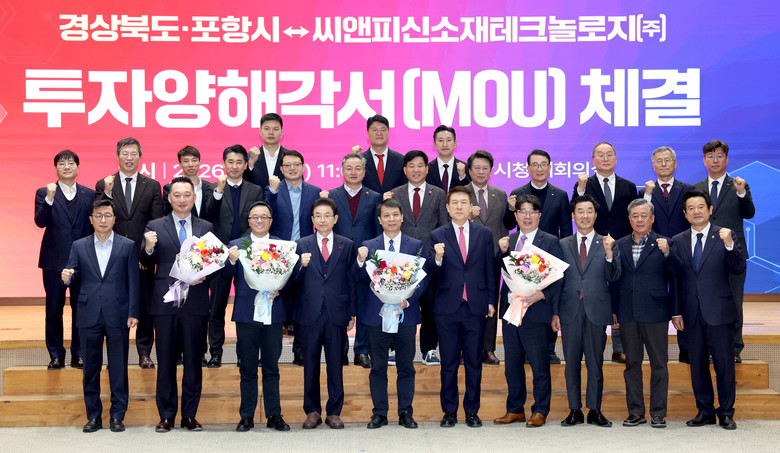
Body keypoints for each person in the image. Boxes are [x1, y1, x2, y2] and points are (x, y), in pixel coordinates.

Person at [141, 177, 214, 432]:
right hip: (165, 303)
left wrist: (205, 274)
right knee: (166, 361)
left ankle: (189, 415)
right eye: (177, 195)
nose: (182, 199)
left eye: (187, 195)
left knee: (194, 361)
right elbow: (145, 262)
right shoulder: (154, 226)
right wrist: (148, 248)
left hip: (195, 303)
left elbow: (214, 264)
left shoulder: (206, 227)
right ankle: (167, 415)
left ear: (194, 197)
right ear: (169, 198)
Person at [670, 190, 746, 430]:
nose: (696, 212)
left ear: (710, 209)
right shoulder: (678, 240)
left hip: (720, 312)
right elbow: (675, 279)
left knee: (724, 365)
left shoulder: (725, 235)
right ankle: (704, 411)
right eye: (691, 208)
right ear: (685, 214)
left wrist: (730, 245)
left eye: (701, 207)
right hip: (691, 314)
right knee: (698, 366)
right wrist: (676, 312)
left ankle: (726, 412)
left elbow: (738, 268)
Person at [61, 199, 139, 433]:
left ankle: (117, 415)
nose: (103, 220)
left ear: (114, 219)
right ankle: (93, 416)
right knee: (90, 368)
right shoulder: (79, 245)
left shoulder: (127, 245)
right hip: (88, 313)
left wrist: (133, 312)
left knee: (118, 367)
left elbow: (133, 282)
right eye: (98, 215)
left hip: (118, 313)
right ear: (91, 219)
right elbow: (72, 274)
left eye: (107, 215)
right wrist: (67, 278)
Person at [355, 198, 428, 429]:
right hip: (376, 316)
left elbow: (422, 281)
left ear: (402, 217)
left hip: (405, 315)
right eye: (386, 215)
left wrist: (407, 301)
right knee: (378, 367)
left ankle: (406, 412)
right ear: (379, 220)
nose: (391, 219)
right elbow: (359, 279)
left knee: (406, 367)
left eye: (395, 214)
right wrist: (360, 261)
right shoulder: (369, 245)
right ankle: (379, 413)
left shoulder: (416, 244)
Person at [429, 186, 497, 428]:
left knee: (473, 362)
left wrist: (491, 301)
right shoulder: (437, 235)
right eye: (454, 203)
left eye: (463, 202)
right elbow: (432, 271)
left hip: (475, 306)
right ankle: (449, 411)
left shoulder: (484, 234)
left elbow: (490, 270)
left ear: (471, 207)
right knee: (448, 362)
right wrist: (437, 258)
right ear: (447, 208)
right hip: (447, 307)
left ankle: (472, 411)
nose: (459, 206)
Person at [494, 195, 563, 428]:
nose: (527, 216)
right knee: (512, 364)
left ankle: (540, 410)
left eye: (532, 211)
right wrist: (503, 253)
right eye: (522, 211)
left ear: (539, 215)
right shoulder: (509, 240)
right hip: (511, 311)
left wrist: (542, 295)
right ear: (515, 216)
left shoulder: (550, 241)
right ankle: (515, 409)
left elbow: (560, 277)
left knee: (539, 365)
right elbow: (501, 271)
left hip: (537, 311)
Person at [613, 198, 682, 428]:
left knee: (659, 364)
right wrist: (613, 310)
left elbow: (676, 274)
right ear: (629, 219)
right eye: (635, 216)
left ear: (652, 218)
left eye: (644, 215)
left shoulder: (665, 243)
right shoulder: (619, 244)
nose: (640, 220)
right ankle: (636, 412)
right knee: (632, 364)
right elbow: (614, 280)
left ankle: (658, 413)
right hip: (627, 312)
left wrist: (668, 253)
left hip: (655, 312)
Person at [553, 194, 621, 428]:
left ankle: (594, 409)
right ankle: (574, 410)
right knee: (571, 363)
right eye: (580, 211)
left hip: (597, 310)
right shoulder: (562, 244)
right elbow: (556, 281)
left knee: (595, 363)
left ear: (596, 214)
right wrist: (555, 312)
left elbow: (614, 277)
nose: (585, 215)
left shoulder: (608, 242)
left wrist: (610, 255)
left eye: (589, 211)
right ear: (573, 216)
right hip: (569, 310)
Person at [96, 137, 163, 369]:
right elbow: (99, 217)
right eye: (124, 153)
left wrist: (145, 254)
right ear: (117, 156)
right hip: (112, 258)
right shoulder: (105, 183)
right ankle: (115, 356)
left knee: (143, 306)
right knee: (114, 306)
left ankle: (144, 353)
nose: (129, 158)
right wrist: (106, 193)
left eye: (133, 153)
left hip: (142, 259)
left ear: (140, 157)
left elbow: (155, 222)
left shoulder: (152, 185)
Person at [223, 201, 290, 432]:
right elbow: (225, 275)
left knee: (272, 365)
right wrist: (231, 260)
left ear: (271, 221)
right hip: (246, 312)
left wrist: (281, 288)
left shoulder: (282, 245)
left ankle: (274, 414)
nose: (259, 220)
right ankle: (247, 416)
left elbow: (292, 278)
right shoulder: (236, 245)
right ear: (249, 221)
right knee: (248, 366)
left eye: (264, 217)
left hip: (274, 310)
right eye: (255, 217)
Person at [293, 198, 357, 430]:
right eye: (318, 215)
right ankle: (312, 410)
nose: (322, 219)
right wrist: (301, 266)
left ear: (335, 219)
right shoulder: (301, 244)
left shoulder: (346, 244)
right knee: (310, 364)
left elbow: (351, 280)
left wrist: (352, 312)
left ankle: (334, 412)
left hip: (336, 312)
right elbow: (292, 280)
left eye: (327, 215)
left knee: (335, 364)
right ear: (312, 219)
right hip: (309, 312)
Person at [572, 142, 638, 364]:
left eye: (609, 154)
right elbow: (576, 207)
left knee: (621, 294)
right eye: (600, 155)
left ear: (616, 158)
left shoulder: (629, 186)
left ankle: (620, 347)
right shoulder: (584, 184)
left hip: (622, 246)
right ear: (593, 160)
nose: (605, 158)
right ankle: (594, 345)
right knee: (595, 293)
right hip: (592, 246)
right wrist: (581, 189)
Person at [505, 149, 572, 365]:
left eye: (543, 164)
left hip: (549, 255)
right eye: (535, 164)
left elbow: (566, 228)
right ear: (528, 168)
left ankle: (549, 349)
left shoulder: (560, 194)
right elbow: (508, 223)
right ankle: (524, 348)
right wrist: (510, 209)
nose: (539, 168)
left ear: (550, 168)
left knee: (546, 303)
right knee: (522, 297)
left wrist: (561, 257)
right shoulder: (517, 193)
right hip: (522, 254)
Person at [201, 145, 264, 367]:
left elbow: (257, 221)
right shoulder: (212, 188)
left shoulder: (255, 190)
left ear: (246, 165)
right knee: (217, 307)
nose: (234, 166)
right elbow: (208, 213)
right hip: (219, 256)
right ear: (223, 164)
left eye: (239, 162)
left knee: (246, 306)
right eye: (230, 162)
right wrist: (218, 192)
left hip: (246, 254)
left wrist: (241, 246)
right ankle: (215, 353)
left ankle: (244, 354)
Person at [694, 140, 755, 363]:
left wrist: (742, 193)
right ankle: (710, 347)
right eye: (711, 156)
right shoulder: (697, 188)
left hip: (733, 253)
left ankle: (734, 348)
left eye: (719, 156)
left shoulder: (738, 185)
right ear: (704, 160)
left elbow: (749, 213)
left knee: (734, 301)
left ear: (727, 159)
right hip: (705, 255)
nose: (715, 160)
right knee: (707, 302)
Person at [35, 150, 94, 369]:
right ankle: (56, 354)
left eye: (70, 163)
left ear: (77, 167)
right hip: (54, 260)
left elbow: (94, 226)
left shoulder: (89, 194)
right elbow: (40, 222)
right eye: (62, 163)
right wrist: (49, 200)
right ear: (56, 168)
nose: (66, 166)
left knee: (81, 310)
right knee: (53, 309)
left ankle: (79, 354)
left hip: (82, 261)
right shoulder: (44, 192)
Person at [390, 150, 449, 366]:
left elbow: (444, 226)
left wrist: (438, 255)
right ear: (405, 170)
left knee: (430, 307)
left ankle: (429, 349)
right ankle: (395, 348)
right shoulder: (395, 194)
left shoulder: (439, 194)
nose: (416, 170)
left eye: (420, 165)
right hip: (401, 261)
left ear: (427, 168)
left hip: (429, 261)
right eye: (411, 166)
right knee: (398, 303)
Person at [324, 153, 382, 368]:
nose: (353, 172)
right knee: (340, 303)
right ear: (342, 171)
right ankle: (340, 350)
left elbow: (377, 230)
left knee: (365, 303)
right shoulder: (331, 196)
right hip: (338, 257)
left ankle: (362, 351)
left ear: (364, 172)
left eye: (358, 168)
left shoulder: (374, 197)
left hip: (366, 258)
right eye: (349, 168)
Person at [265, 149, 322, 366]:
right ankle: (271, 354)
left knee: (303, 303)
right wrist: (271, 191)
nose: (292, 168)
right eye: (287, 165)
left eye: (296, 164)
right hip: (278, 253)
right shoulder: (273, 190)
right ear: (281, 169)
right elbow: (265, 212)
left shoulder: (315, 191)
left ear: (303, 167)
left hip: (306, 252)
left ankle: (300, 351)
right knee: (278, 301)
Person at [639, 146, 695, 363]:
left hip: (683, 251)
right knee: (658, 298)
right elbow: (641, 217)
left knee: (685, 298)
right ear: (653, 165)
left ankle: (687, 348)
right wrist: (647, 195)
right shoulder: (645, 192)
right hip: (654, 252)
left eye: (667, 160)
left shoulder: (688, 189)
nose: (663, 164)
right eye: (659, 161)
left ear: (675, 163)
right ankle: (656, 350)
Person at [464, 150, 509, 365]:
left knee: (491, 300)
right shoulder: (460, 194)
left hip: (493, 257)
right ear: (469, 170)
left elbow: (505, 225)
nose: (481, 172)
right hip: (466, 257)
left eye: (485, 168)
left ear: (491, 171)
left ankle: (488, 348)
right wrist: (468, 217)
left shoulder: (500, 194)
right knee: (465, 302)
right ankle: (465, 348)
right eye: (477, 168)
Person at [357, 114, 407, 195]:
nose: (379, 133)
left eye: (383, 130)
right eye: (374, 130)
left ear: (388, 133)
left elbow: (405, 189)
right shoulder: (359, 160)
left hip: (393, 203)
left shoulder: (401, 160)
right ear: (368, 134)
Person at [163, 146, 214, 218]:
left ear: (200, 163)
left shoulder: (210, 187)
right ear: (180, 164)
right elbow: (166, 212)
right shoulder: (170, 187)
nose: (191, 164)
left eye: (194, 160)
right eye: (186, 161)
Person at [244, 112, 286, 189]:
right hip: (257, 197)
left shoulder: (290, 157)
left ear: (281, 133)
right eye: (267, 129)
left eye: (275, 129)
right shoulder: (249, 157)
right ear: (260, 132)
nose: (271, 132)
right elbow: (243, 185)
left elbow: (298, 184)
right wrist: (251, 164)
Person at [426, 125, 470, 192]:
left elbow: (471, 193)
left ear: (455, 143)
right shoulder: (427, 169)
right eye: (440, 140)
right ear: (434, 144)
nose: (445, 145)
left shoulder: (466, 167)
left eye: (448, 140)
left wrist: (463, 177)